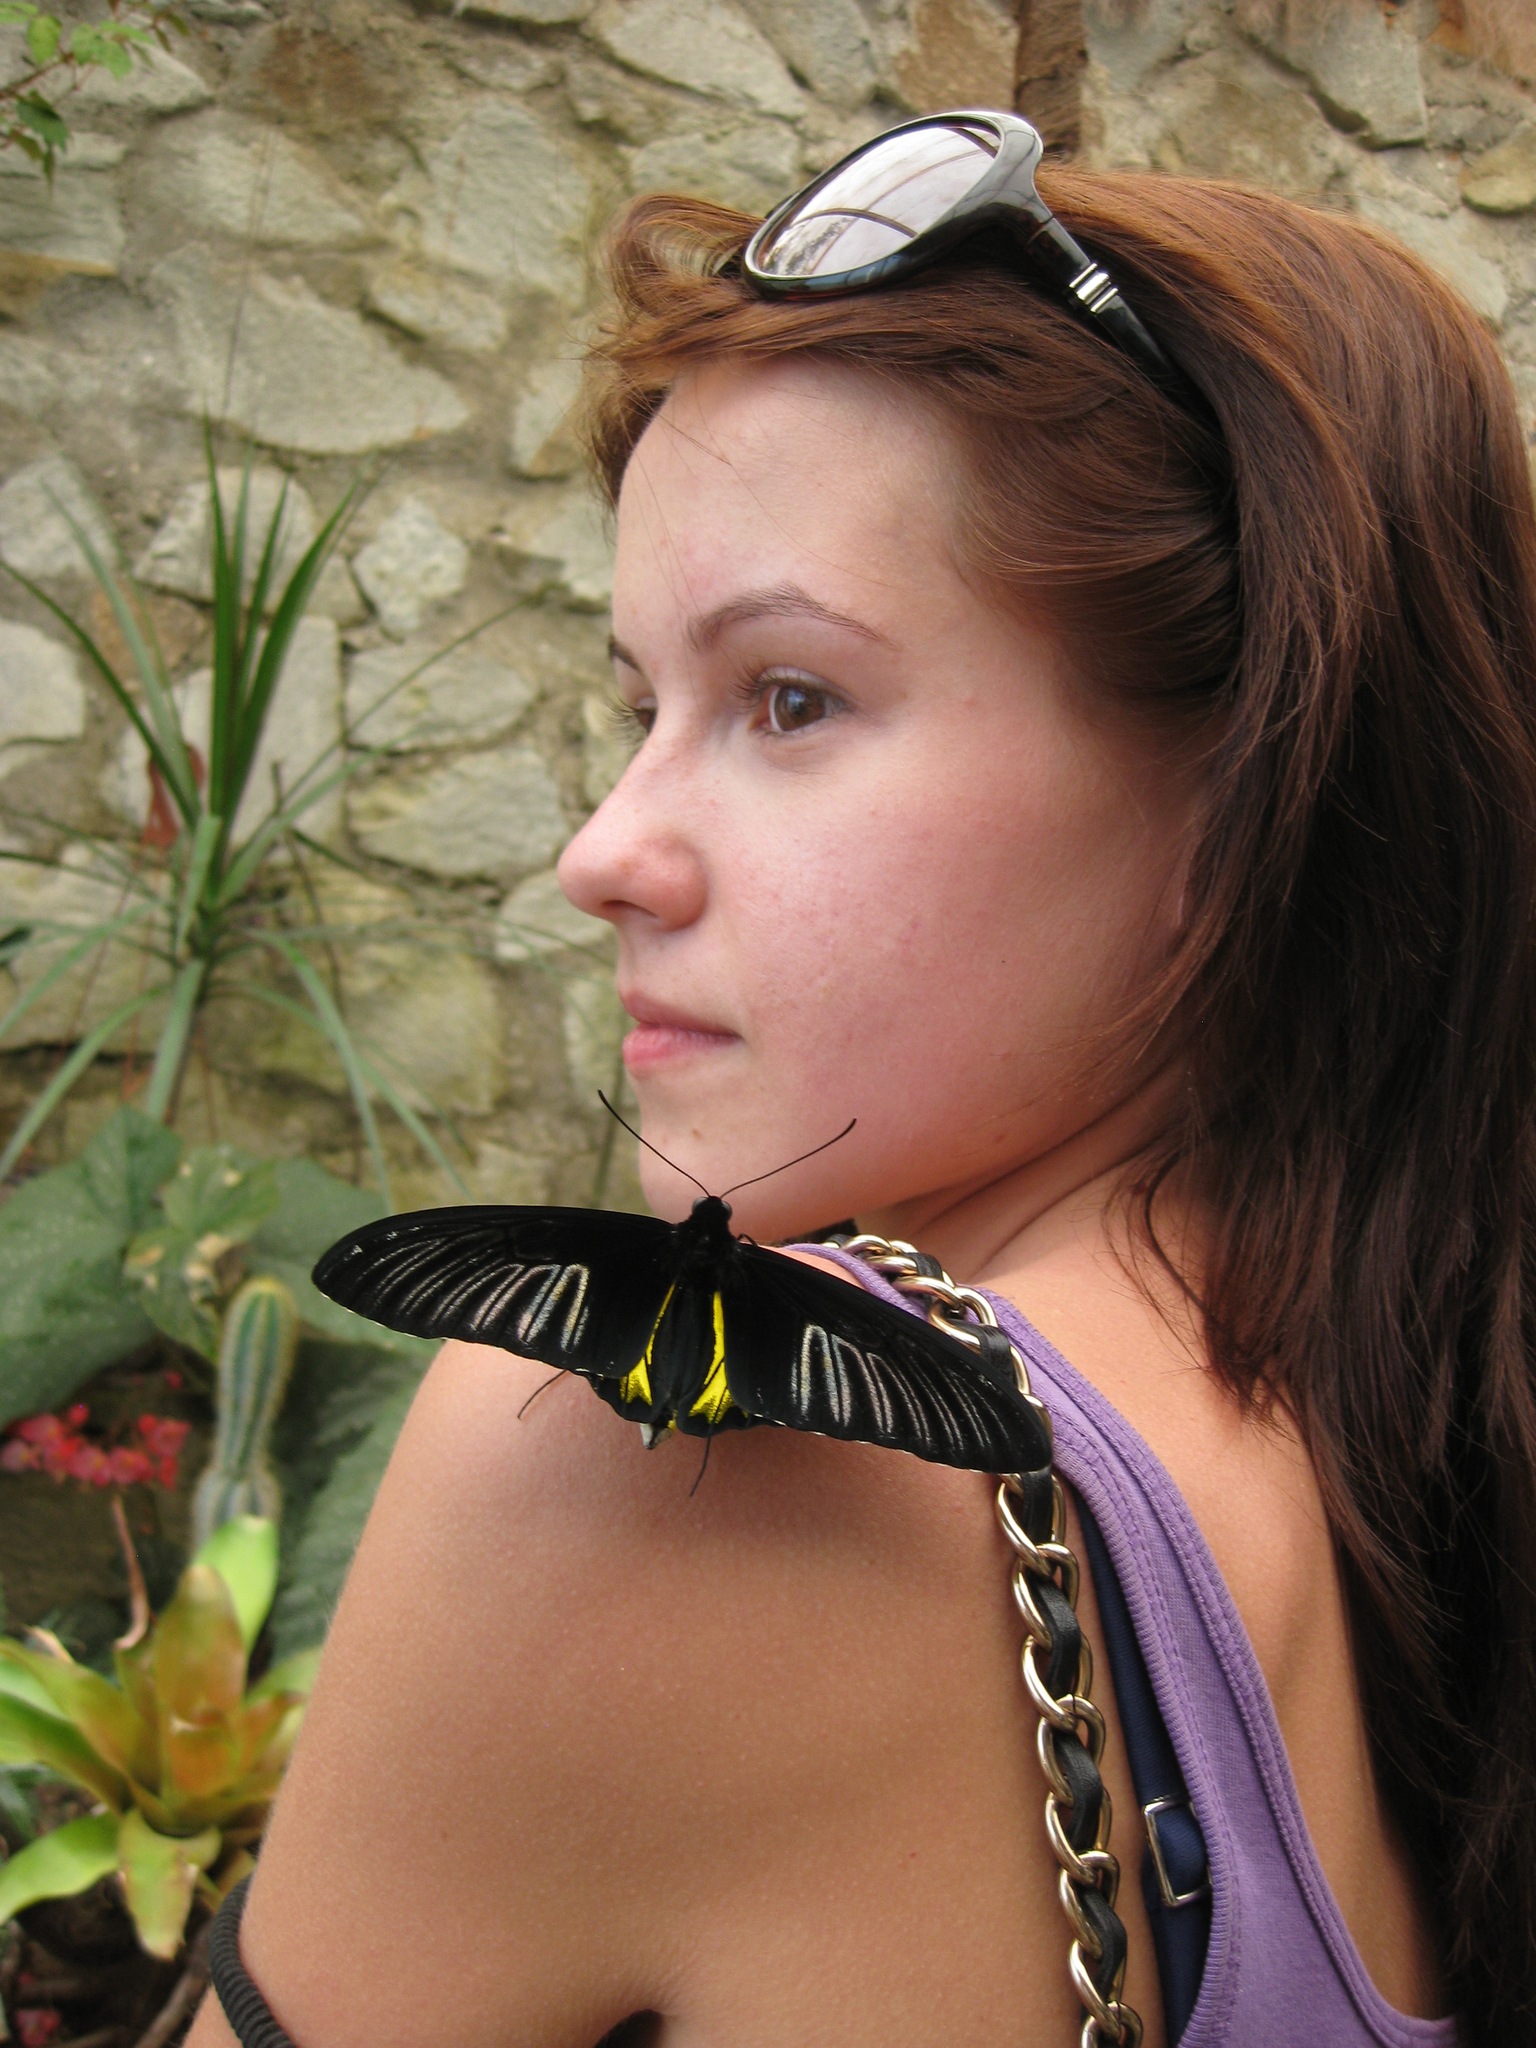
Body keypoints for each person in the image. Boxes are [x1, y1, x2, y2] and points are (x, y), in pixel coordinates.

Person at [188, 115, 1536, 2048]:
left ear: (1246, 793)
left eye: (791, 699)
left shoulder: (648, 1462)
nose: (602, 852)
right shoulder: (1412, 1415)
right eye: (639, 706)